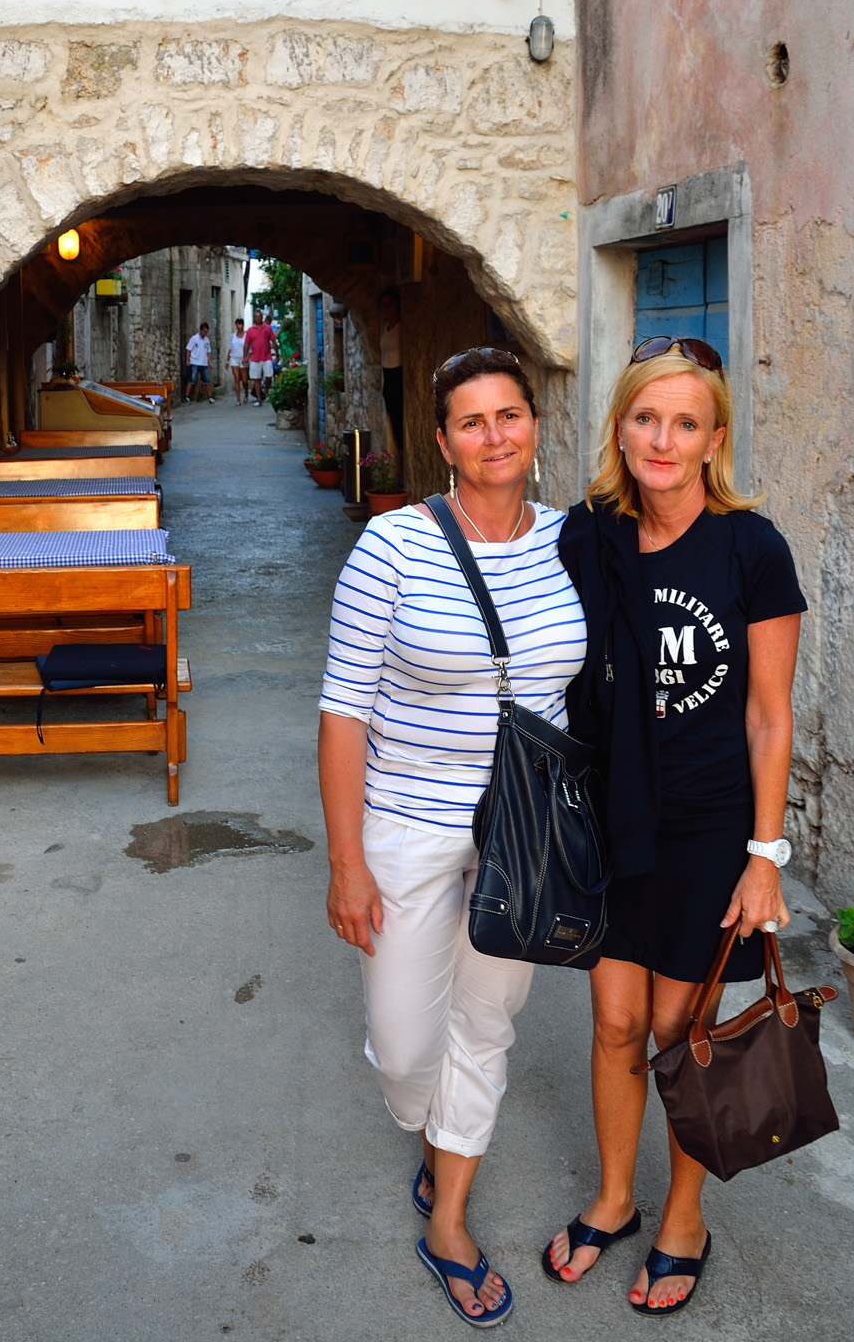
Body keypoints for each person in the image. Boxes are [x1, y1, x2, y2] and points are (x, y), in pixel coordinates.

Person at [319, 347, 588, 1328]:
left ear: (532, 426)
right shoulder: (390, 548)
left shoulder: (572, 544)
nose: (493, 436)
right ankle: (430, 1134)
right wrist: (346, 863)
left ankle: (451, 1217)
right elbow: (343, 712)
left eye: (508, 415)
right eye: (470, 422)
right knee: (401, 1047)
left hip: (523, 835)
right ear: (440, 442)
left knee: (485, 1022)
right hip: (404, 825)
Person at [543, 336, 806, 1315]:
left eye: (683, 422)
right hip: (612, 821)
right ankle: (613, 1199)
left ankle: (681, 1216)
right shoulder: (585, 536)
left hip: (706, 832)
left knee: (672, 1031)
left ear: (712, 439)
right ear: (619, 427)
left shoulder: (750, 548)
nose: (662, 437)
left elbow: (768, 715)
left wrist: (764, 857)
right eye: (645, 417)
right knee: (612, 1021)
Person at [379, 287, 404, 452]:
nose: (387, 309)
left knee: (399, 418)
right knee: (392, 421)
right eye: (384, 305)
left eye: (390, 304)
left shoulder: (402, 327)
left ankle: (403, 451)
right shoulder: (386, 327)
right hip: (387, 374)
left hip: (398, 373)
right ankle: (398, 456)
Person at [243, 309, 279, 405]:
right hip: (255, 358)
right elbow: (246, 344)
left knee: (269, 376)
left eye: (259, 316)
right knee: (256, 378)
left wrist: (277, 353)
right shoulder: (250, 331)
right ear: (254, 318)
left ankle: (266, 391)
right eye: (256, 316)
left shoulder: (268, 328)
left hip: (266, 356)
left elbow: (273, 341)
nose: (258, 318)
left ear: (262, 317)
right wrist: (245, 356)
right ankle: (259, 399)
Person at [185, 322, 215, 404]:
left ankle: (209, 397)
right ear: (200, 330)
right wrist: (187, 360)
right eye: (204, 331)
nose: (205, 333)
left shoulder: (207, 340)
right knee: (192, 379)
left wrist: (210, 362)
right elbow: (188, 349)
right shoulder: (194, 339)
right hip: (194, 361)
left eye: (206, 332)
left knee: (207, 380)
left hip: (204, 363)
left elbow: (208, 352)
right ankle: (186, 396)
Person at [226, 318, 248, 405]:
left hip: (243, 359)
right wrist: (227, 360)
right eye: (237, 324)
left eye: (240, 324)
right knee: (236, 378)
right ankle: (238, 399)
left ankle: (246, 393)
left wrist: (247, 357)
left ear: (242, 325)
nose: (238, 326)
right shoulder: (233, 336)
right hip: (234, 358)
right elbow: (230, 349)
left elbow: (248, 347)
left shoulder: (246, 336)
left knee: (244, 380)